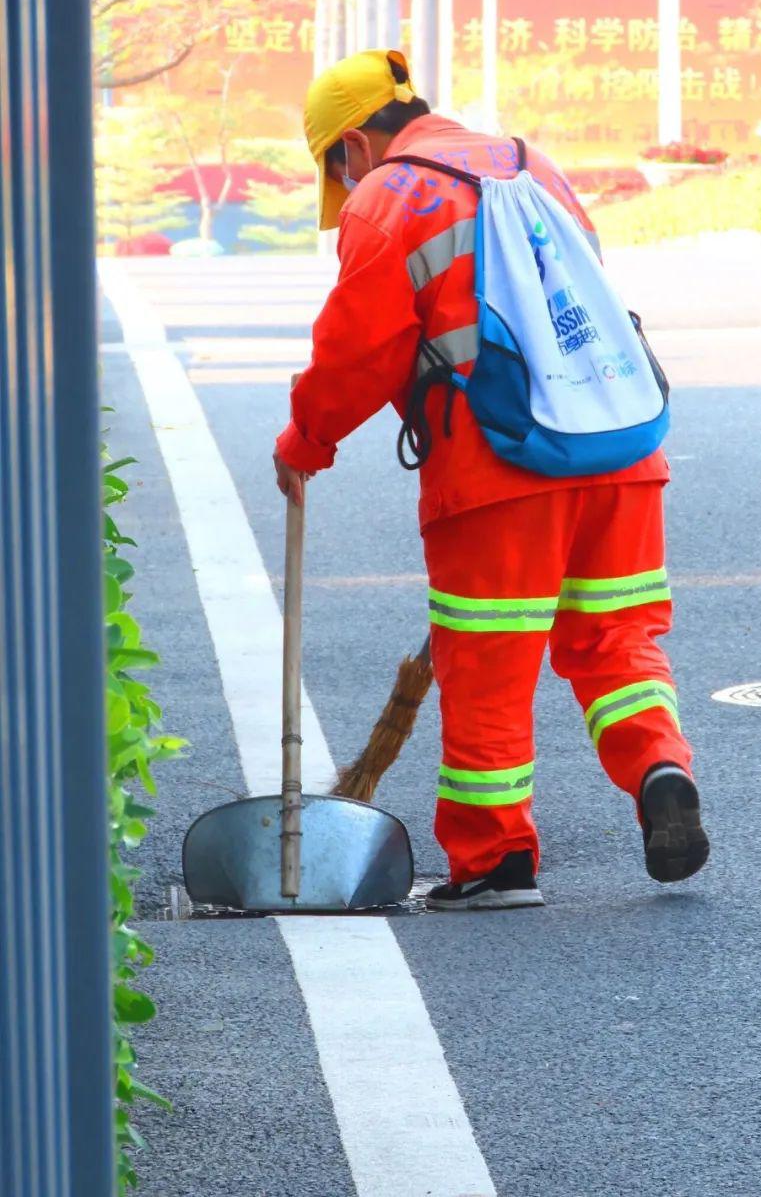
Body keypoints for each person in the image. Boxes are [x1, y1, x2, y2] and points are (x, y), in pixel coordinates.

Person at [273, 48, 709, 911]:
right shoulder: (529, 162)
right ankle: (660, 767)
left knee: (488, 663)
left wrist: (305, 440)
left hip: (497, 470)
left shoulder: (387, 197)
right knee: (616, 641)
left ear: (353, 145)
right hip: (618, 445)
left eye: (335, 166)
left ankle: (494, 859)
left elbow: (359, 347)